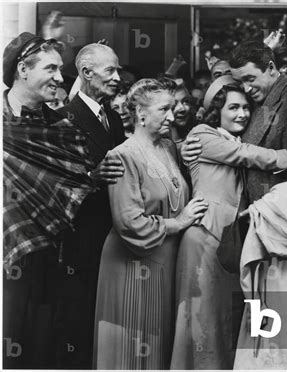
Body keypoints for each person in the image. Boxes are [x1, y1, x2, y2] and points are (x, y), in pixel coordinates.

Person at [182, 40, 287, 368]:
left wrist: (270, 218)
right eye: (241, 82)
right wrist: (187, 147)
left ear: (271, 67)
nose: (247, 89)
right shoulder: (258, 104)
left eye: (252, 79)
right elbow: (230, 147)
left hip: (285, 238)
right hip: (258, 240)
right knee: (266, 344)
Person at [171, 76, 287, 369]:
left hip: (229, 240)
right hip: (203, 236)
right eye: (233, 108)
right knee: (200, 317)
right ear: (218, 111)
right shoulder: (202, 134)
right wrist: (286, 158)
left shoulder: (234, 137)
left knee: (222, 318)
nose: (242, 113)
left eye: (245, 108)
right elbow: (244, 156)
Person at [93, 78, 208, 369]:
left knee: (156, 344)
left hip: (164, 262)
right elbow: (129, 223)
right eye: (164, 109)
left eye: (173, 107)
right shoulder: (122, 155)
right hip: (132, 264)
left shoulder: (168, 147)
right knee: (132, 349)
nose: (172, 115)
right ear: (141, 114)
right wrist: (179, 222)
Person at [3, 32, 93, 369]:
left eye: (60, 70)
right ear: (23, 70)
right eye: (51, 68)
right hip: (7, 257)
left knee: (45, 348)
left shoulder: (60, 128)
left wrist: (96, 176)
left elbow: (75, 181)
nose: (59, 78)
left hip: (52, 256)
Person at [55, 43, 126, 368]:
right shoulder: (61, 120)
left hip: (115, 238)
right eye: (110, 71)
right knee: (81, 326)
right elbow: (54, 184)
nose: (117, 78)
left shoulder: (112, 117)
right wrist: (90, 176)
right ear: (86, 73)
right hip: (82, 243)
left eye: (117, 70)